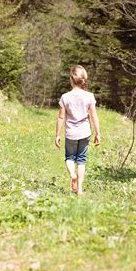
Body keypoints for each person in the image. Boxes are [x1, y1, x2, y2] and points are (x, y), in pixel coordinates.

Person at [55, 65, 101, 194]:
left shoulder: (65, 97)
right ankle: (80, 190)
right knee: (81, 160)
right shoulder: (89, 96)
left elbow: (61, 117)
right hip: (85, 133)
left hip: (71, 134)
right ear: (83, 80)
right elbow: (94, 116)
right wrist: (98, 133)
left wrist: (57, 135)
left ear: (71, 79)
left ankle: (72, 174)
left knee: (69, 157)